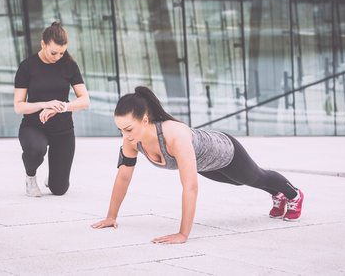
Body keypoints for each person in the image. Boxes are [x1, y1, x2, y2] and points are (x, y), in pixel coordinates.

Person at [91, 86, 304, 244]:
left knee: (255, 177)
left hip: (226, 151)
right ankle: (277, 195)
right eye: (120, 130)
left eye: (128, 129)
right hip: (206, 164)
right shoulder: (132, 142)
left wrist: (183, 234)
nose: (124, 135)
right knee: (241, 182)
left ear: (145, 120)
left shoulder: (174, 135)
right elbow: (123, 176)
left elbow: (190, 187)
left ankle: (293, 194)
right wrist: (111, 216)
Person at [14, 21, 89, 197]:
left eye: (62, 53)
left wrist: (62, 107)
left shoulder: (69, 65)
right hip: (33, 126)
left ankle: (55, 176)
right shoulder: (27, 66)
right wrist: (44, 104)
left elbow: (85, 100)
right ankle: (30, 177)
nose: (57, 57)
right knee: (36, 149)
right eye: (53, 52)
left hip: (62, 129)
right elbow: (19, 106)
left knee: (59, 189)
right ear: (43, 44)